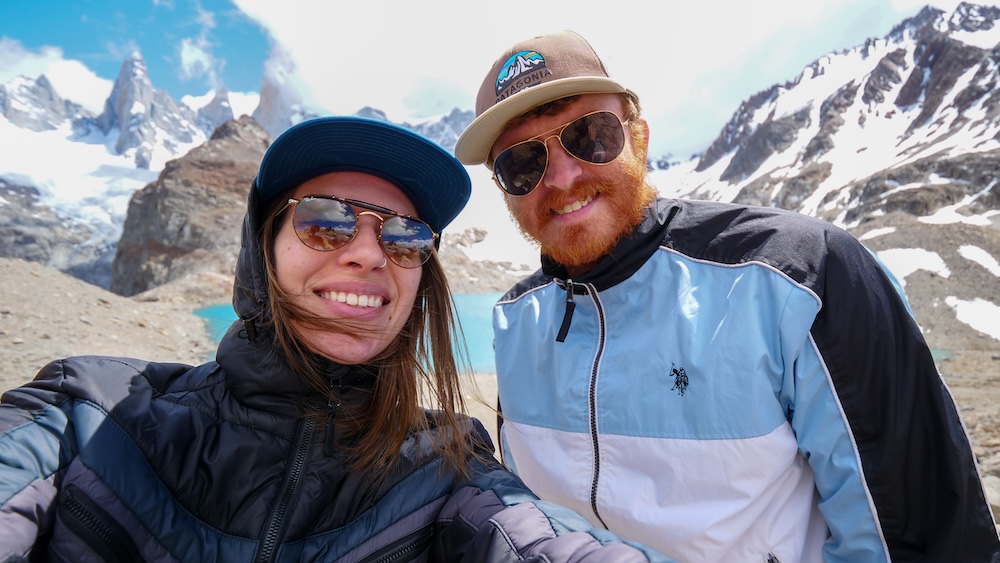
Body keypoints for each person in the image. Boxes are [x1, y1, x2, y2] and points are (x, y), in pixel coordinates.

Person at [0, 115, 674, 562]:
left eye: (406, 236)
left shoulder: (445, 467)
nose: (367, 253)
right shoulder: (84, 413)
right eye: (324, 221)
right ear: (260, 250)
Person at [454, 30, 1000, 562]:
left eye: (589, 135)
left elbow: (920, 537)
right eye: (522, 163)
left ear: (638, 137)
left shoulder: (801, 276)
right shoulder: (515, 325)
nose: (562, 176)